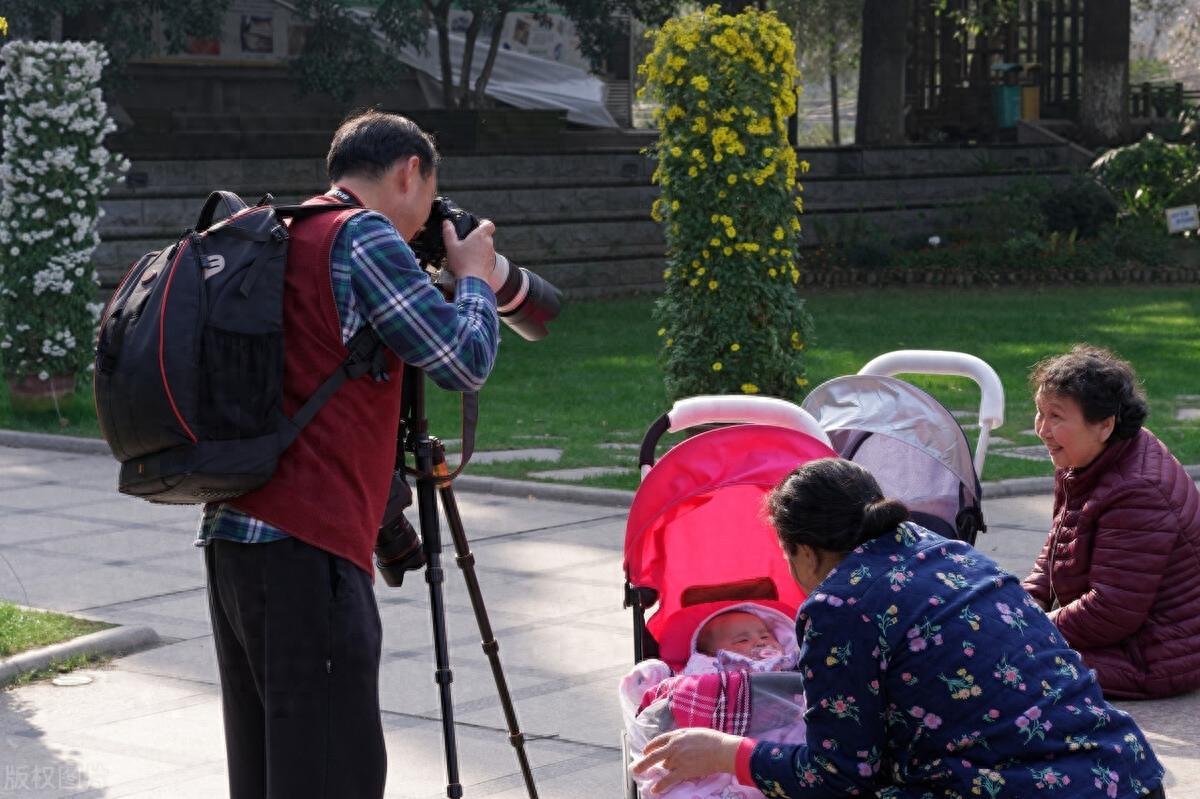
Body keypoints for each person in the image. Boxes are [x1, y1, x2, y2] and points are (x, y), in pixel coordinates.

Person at [196, 110, 501, 799]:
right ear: (409, 173)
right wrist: (475, 277)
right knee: (337, 772)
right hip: (308, 547)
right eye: (429, 196)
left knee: (271, 769)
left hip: (233, 541)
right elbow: (462, 357)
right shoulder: (363, 233)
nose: (427, 217)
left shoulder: (283, 231)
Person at [633, 458, 1167, 798]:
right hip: (1126, 773)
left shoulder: (839, 605)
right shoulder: (950, 553)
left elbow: (837, 779)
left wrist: (725, 753)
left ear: (804, 552)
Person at [1022, 345, 1200, 699]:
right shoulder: (1088, 455)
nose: (1042, 429)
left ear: (1105, 425)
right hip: (1123, 638)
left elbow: (1111, 609)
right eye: (1039, 413)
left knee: (998, 664)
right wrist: (1020, 605)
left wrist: (1026, 628)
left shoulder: (1139, 491)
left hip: (1155, 654)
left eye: (1056, 416)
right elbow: (1059, 545)